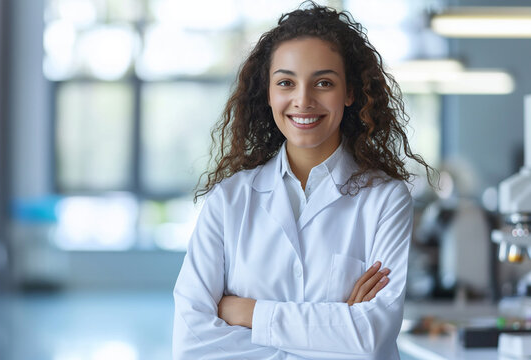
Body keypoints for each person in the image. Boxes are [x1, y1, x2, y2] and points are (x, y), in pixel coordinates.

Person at [172, 2, 433, 359]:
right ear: (269, 93)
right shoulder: (229, 201)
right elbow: (191, 344)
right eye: (286, 82)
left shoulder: (385, 199)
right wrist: (336, 329)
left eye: (323, 83)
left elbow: (371, 336)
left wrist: (249, 313)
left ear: (350, 93)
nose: (303, 100)